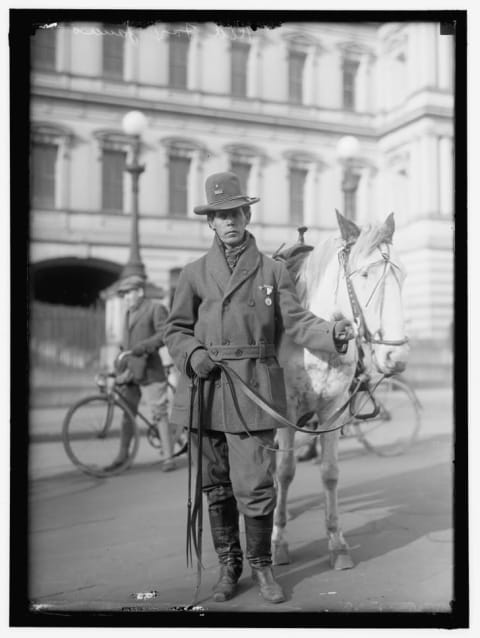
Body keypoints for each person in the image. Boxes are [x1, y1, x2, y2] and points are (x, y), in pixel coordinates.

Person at [164, 172, 354, 604]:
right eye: (219, 215)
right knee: (217, 486)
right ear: (210, 223)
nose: (228, 221)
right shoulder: (193, 274)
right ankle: (229, 568)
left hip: (253, 389)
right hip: (207, 390)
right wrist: (193, 354)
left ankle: (263, 568)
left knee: (256, 484)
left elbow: (297, 320)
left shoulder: (273, 270)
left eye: (235, 212)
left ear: (247, 215)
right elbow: (175, 328)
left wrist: (333, 334)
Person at [113, 274, 176, 472]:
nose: (125, 298)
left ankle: (168, 458)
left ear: (139, 292)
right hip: (131, 371)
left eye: (128, 293)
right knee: (127, 414)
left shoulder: (155, 308)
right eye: (123, 295)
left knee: (159, 414)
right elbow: (125, 345)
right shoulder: (127, 313)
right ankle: (122, 456)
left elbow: (165, 334)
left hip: (150, 370)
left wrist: (144, 346)